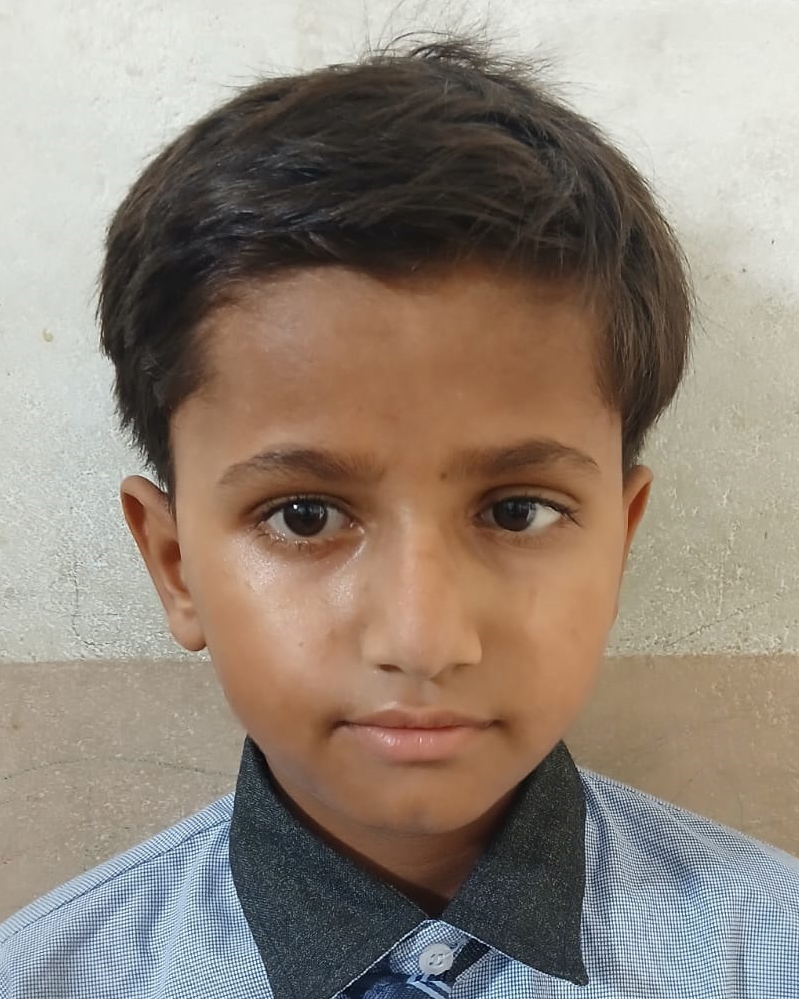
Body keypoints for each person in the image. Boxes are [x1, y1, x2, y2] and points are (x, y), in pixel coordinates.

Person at [2, 31, 797, 999]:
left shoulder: (771, 952)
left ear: (620, 544)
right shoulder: (45, 976)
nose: (423, 639)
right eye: (303, 517)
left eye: (516, 511)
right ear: (174, 565)